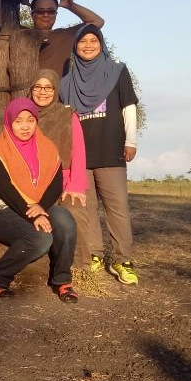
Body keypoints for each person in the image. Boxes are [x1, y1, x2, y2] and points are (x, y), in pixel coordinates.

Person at [60, 24, 139, 285]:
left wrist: (131, 141)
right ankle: (92, 254)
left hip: (111, 150)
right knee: (86, 209)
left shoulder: (117, 71)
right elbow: (64, 118)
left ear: (101, 44)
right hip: (79, 156)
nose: (88, 45)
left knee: (117, 209)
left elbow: (128, 107)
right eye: (83, 41)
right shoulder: (67, 82)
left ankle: (121, 260)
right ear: (75, 47)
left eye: (94, 40)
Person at [0, 98, 78, 302]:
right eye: (18, 121)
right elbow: (5, 190)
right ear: (9, 122)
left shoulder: (48, 147)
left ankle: (62, 281)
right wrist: (33, 215)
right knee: (41, 239)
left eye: (30, 120)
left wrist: (40, 207)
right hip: (1, 210)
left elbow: (56, 183)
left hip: (38, 205)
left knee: (66, 222)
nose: (25, 126)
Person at [30, 68, 89, 268]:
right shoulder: (24, 115)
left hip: (64, 180)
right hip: (33, 181)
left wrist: (76, 185)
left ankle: (79, 266)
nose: (43, 92)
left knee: (75, 212)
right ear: (32, 89)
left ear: (56, 90)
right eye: (38, 86)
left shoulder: (67, 115)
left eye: (49, 87)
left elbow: (78, 151)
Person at [29, 0, 105, 78]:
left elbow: (97, 21)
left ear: (56, 14)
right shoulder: (20, 35)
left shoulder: (65, 36)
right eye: (41, 11)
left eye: (51, 11)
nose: (46, 15)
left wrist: (71, 6)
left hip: (58, 92)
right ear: (32, 15)